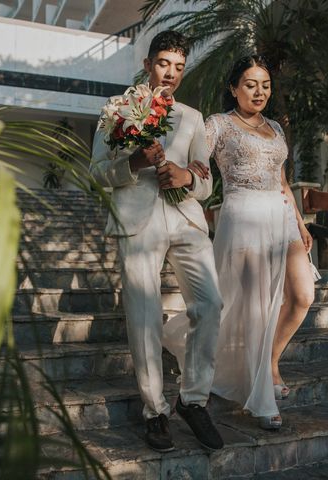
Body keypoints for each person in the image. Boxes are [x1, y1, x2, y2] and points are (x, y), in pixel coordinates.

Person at [163, 55, 315, 430]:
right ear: (234, 88)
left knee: (303, 296)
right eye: (251, 84)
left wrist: (300, 221)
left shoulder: (276, 128)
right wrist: (177, 173)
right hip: (243, 216)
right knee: (252, 309)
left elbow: (281, 180)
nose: (259, 91)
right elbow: (194, 159)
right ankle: (260, 394)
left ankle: (271, 361)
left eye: (265, 84)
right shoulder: (218, 124)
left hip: (282, 217)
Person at [89, 31, 224, 452]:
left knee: (210, 305)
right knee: (144, 317)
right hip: (137, 221)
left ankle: (194, 400)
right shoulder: (115, 111)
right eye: (165, 63)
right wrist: (132, 162)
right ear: (148, 64)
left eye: (180, 67)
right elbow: (96, 171)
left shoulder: (192, 117)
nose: (172, 73)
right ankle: (155, 412)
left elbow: (205, 178)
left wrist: (187, 177)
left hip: (186, 218)